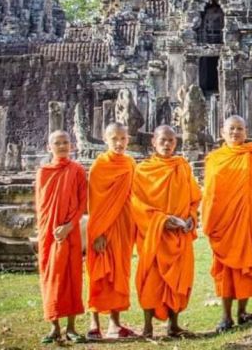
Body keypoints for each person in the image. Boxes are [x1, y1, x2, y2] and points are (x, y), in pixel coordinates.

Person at [202, 115, 252, 333]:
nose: (235, 133)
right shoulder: (214, 158)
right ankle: (225, 315)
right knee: (225, 269)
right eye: (231, 129)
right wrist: (208, 219)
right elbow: (210, 192)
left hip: (250, 217)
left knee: (248, 265)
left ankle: (242, 311)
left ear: (246, 131)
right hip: (223, 221)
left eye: (240, 129)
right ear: (222, 132)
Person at [132, 125, 201, 338]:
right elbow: (137, 204)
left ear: (176, 143)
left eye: (171, 140)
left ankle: (173, 324)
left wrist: (191, 217)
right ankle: (147, 327)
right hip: (154, 235)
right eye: (162, 140)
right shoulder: (143, 170)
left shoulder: (182, 166)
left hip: (179, 234)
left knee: (178, 279)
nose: (167, 144)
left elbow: (194, 198)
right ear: (153, 142)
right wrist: (161, 221)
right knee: (151, 279)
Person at [85, 122, 138, 340]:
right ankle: (94, 322)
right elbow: (94, 203)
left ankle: (115, 324)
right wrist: (97, 233)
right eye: (114, 138)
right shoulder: (99, 166)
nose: (119, 143)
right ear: (105, 139)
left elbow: (134, 194)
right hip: (102, 230)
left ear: (128, 139)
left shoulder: (130, 163)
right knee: (99, 274)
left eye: (122, 139)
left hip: (124, 225)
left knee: (120, 273)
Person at [35, 130, 87, 344]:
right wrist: (50, 229)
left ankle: (72, 327)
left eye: (66, 142)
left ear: (72, 145)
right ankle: (54, 326)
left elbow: (82, 202)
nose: (62, 146)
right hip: (49, 233)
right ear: (50, 147)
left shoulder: (77, 170)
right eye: (57, 143)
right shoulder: (43, 172)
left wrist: (69, 226)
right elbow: (41, 206)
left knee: (72, 277)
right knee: (52, 276)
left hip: (71, 232)